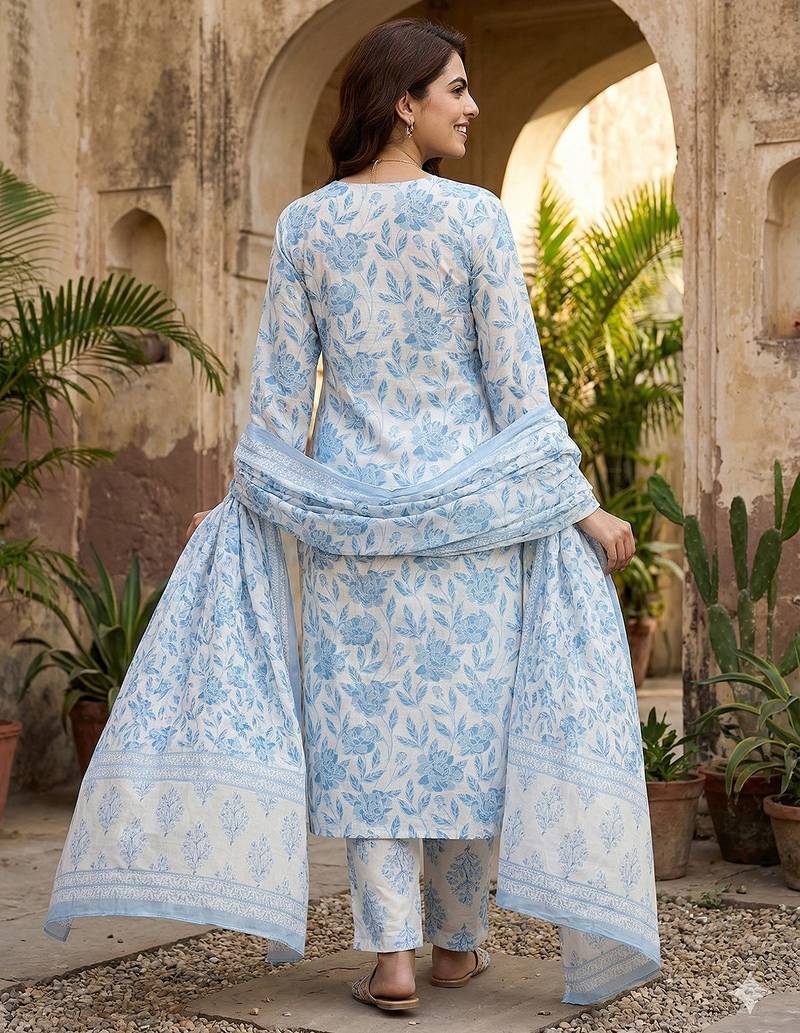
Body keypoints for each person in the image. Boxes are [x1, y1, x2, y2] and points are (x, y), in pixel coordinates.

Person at [185, 17, 636, 1013]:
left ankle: (391, 958)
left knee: (369, 737)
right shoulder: (474, 220)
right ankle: (454, 946)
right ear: (404, 102)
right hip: (472, 521)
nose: (471, 106)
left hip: (349, 529)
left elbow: (277, 403)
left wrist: (241, 500)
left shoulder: (306, 226)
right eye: (455, 90)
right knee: (462, 734)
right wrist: (582, 507)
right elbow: (517, 391)